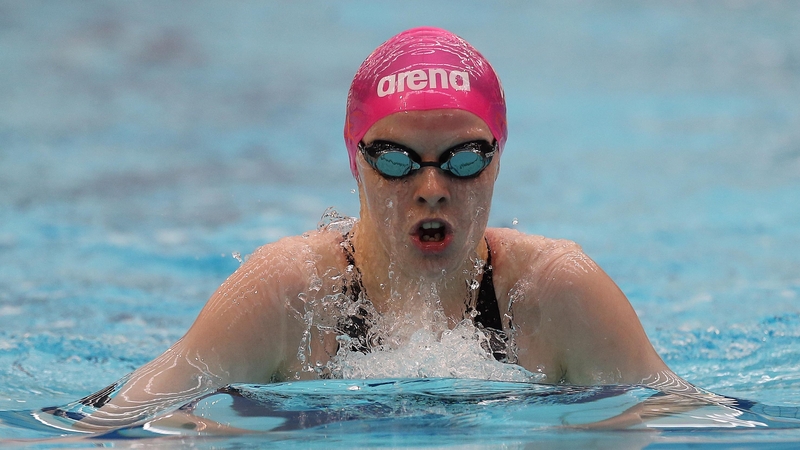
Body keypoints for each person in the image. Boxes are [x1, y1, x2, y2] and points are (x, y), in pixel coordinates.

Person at [51, 26, 689, 431]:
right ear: (354, 158)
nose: (432, 186)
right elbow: (120, 420)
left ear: (499, 160)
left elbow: (687, 419)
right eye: (395, 159)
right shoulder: (286, 293)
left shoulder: (556, 293)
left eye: (465, 158)